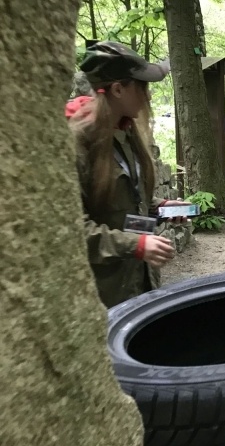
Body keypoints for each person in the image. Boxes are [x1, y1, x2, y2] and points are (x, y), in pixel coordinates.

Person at [66, 41, 189, 308]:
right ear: (118, 89)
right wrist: (136, 245)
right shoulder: (75, 144)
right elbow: (72, 230)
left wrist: (161, 208)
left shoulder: (126, 133)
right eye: (142, 86)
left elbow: (125, 204)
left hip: (139, 282)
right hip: (103, 297)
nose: (149, 96)